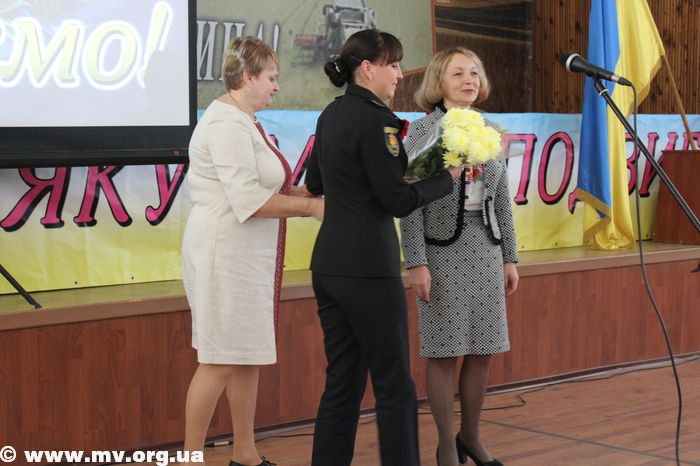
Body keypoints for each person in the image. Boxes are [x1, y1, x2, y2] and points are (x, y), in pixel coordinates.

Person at [305, 29, 467, 466]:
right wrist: (447, 178)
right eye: (393, 65)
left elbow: (315, 183)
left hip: (328, 266)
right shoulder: (378, 121)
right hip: (368, 270)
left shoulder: (330, 114)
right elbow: (396, 199)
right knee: (394, 385)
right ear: (367, 68)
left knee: (342, 383)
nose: (399, 74)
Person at [181, 36, 323, 466]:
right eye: (271, 77)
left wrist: (306, 192)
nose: (277, 86)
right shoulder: (226, 123)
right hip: (224, 255)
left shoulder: (244, 120)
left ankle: (245, 454)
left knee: (245, 357)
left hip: (245, 257)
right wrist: (311, 208)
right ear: (247, 77)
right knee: (219, 359)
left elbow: (263, 185)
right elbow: (248, 200)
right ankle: (190, 458)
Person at [400, 48, 519, 466]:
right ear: (438, 81)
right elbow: (409, 203)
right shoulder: (422, 132)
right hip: (440, 253)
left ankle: (470, 436)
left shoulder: (490, 128)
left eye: (474, 73)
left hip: (485, 248)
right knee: (444, 351)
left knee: (483, 349)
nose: (469, 80)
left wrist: (509, 257)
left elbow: (501, 199)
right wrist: (416, 262)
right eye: (458, 73)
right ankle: (446, 446)